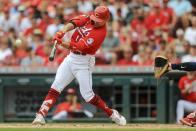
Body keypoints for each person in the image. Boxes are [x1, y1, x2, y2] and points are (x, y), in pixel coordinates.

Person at [32, 6, 126, 126]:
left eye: (98, 21)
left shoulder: (100, 33)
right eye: (94, 19)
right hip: (71, 57)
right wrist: (62, 31)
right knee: (56, 85)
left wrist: (60, 42)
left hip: (84, 61)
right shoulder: (92, 16)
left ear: (105, 20)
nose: (94, 21)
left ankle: (112, 113)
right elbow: (74, 22)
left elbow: (78, 46)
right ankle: (41, 115)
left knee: (88, 96)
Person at [167, 62, 196, 127]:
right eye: (190, 71)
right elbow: (182, 94)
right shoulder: (183, 79)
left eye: (192, 71)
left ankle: (193, 119)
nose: (191, 72)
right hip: (189, 103)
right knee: (180, 102)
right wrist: (188, 88)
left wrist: (174, 66)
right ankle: (179, 122)